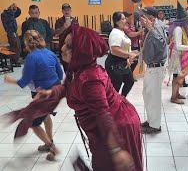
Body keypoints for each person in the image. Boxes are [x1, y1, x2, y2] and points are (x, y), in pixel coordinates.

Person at [38, 23, 143, 170]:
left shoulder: (91, 78)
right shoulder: (77, 69)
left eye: (69, 46)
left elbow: (103, 114)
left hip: (118, 125)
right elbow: (67, 87)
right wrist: (51, 93)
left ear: (82, 51)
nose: (62, 48)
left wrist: (116, 150)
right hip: (105, 126)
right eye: (64, 44)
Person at [3, 30, 63, 161]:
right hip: (55, 91)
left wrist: (9, 80)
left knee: (33, 123)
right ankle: (49, 140)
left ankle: (52, 147)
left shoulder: (31, 57)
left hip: (42, 94)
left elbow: (23, 82)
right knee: (45, 116)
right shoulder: (50, 53)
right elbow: (60, 75)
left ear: (26, 43)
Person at [140, 7, 168, 134]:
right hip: (152, 66)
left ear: (150, 17)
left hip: (156, 67)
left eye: (143, 16)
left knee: (154, 98)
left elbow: (162, 43)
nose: (140, 19)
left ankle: (155, 126)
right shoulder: (152, 27)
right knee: (147, 95)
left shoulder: (156, 27)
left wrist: (150, 28)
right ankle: (151, 120)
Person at [105, 12, 137, 97]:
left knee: (130, 81)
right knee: (116, 86)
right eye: (123, 19)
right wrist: (129, 54)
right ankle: (112, 105)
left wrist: (129, 55)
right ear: (117, 22)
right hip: (115, 63)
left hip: (122, 62)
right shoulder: (115, 33)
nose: (125, 20)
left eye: (125, 18)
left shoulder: (121, 32)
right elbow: (114, 50)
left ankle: (121, 100)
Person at [168, 1, 188, 104]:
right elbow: (178, 46)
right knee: (176, 77)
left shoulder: (182, 28)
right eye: (187, 19)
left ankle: (177, 94)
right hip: (176, 56)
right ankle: (173, 97)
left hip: (178, 55)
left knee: (178, 76)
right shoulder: (178, 29)